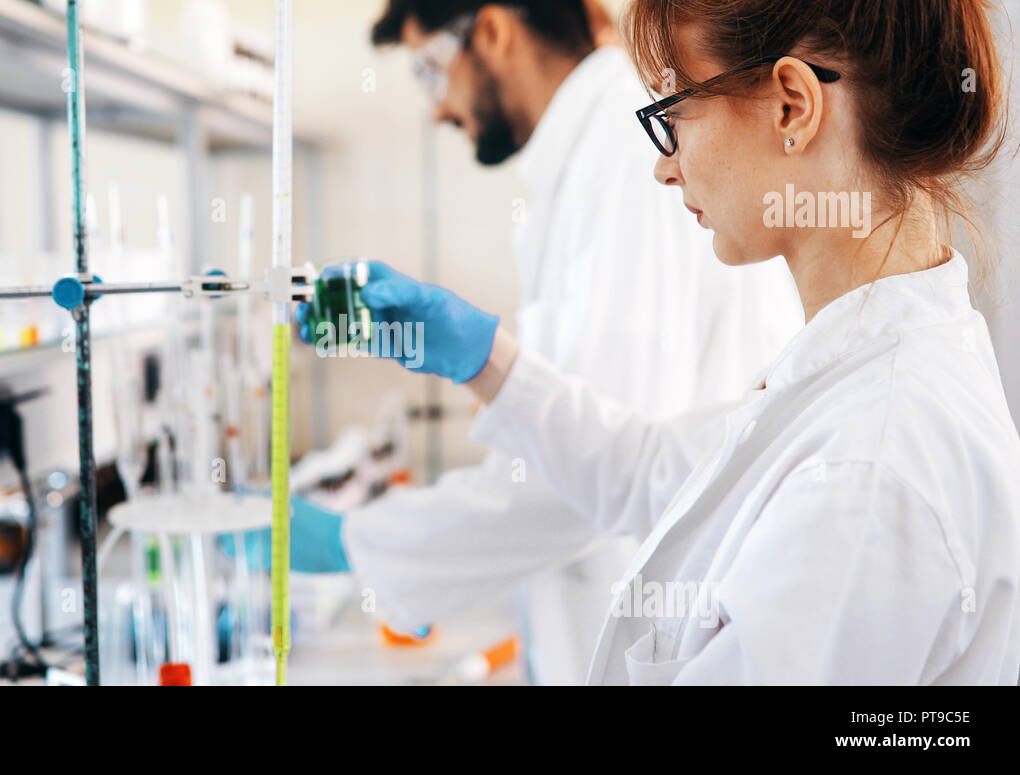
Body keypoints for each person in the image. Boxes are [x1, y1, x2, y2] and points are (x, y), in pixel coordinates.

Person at [317, 0, 1020, 684]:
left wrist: (354, 550)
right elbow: (652, 470)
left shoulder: (868, 471)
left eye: (675, 115)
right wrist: (486, 360)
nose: (664, 165)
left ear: (792, 108)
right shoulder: (855, 364)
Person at [267, 0, 802, 685]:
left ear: (491, 31)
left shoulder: (620, 146)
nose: (436, 109)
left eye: (431, 70)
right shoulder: (582, 156)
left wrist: (359, 543)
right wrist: (482, 363)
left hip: (668, 630)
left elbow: (590, 476)